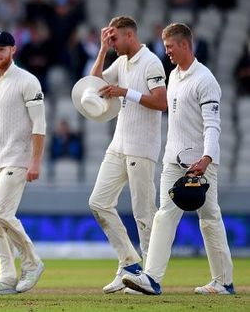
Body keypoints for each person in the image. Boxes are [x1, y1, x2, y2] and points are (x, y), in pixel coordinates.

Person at [122, 23, 235, 295]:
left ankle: (224, 282)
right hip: (173, 162)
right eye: (165, 47)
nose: (167, 52)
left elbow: (212, 125)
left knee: (209, 218)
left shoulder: (205, 80)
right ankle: (151, 278)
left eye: (170, 47)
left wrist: (206, 159)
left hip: (200, 164)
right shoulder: (173, 75)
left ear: (184, 44)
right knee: (164, 216)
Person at [86, 16, 167, 294]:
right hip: (118, 145)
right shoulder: (120, 62)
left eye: (115, 39)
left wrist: (124, 91)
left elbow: (161, 102)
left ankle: (151, 277)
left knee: (144, 213)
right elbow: (92, 83)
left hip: (142, 147)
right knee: (98, 202)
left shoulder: (151, 62)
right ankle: (130, 264)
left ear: (130, 36)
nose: (113, 44)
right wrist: (101, 50)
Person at [0, 31, 46, 295]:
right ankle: (6, 275)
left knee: (0, 213)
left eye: (2, 49)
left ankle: (32, 261)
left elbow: (40, 124)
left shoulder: (27, 81)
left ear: (13, 50)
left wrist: (35, 162)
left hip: (18, 157)